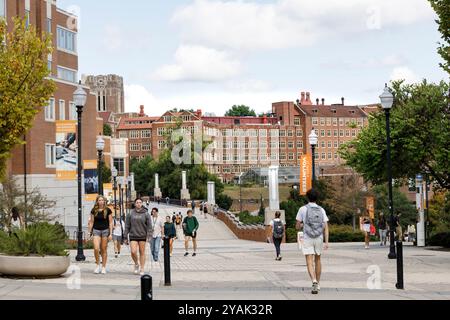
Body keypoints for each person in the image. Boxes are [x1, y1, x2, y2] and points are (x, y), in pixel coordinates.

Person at [296, 189, 329, 295]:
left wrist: (302, 226)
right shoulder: (321, 209)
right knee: (318, 260)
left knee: (309, 261)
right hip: (319, 237)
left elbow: (297, 225)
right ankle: (318, 284)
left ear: (307, 197)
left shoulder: (302, 209)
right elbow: (326, 227)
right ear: (317, 198)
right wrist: (326, 242)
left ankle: (313, 280)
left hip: (307, 237)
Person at [124, 198, 152, 275]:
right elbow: (127, 225)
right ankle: (136, 263)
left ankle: (142, 268)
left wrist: (149, 236)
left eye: (140, 202)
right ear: (135, 204)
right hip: (133, 235)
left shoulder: (146, 213)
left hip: (142, 235)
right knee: (133, 251)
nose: (138, 204)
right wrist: (125, 236)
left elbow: (149, 226)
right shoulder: (130, 213)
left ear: (142, 204)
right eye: (137, 202)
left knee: (142, 252)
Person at [88, 196, 113, 275]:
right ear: (97, 201)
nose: (101, 201)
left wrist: (111, 233)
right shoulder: (94, 210)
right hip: (96, 230)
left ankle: (103, 267)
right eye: (99, 200)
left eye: (102, 200)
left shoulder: (108, 210)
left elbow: (111, 222)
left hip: (105, 231)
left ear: (104, 201)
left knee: (103, 249)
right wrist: (89, 232)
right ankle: (97, 265)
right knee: (96, 248)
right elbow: (91, 222)